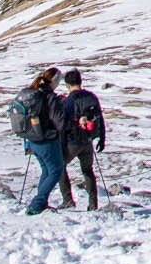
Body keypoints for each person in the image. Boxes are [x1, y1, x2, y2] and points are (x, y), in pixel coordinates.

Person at [15, 67, 65, 215]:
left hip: (32, 139)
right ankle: (37, 204)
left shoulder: (35, 92)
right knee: (56, 171)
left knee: (47, 170)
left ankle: (41, 203)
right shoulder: (49, 96)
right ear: (55, 81)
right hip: (46, 139)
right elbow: (59, 122)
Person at [57, 68, 107, 211]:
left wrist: (61, 144)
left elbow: (64, 124)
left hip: (72, 141)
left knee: (60, 167)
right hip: (88, 140)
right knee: (88, 171)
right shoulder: (92, 97)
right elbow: (100, 119)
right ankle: (93, 204)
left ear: (67, 85)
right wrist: (101, 139)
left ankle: (68, 200)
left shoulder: (68, 101)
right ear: (81, 81)